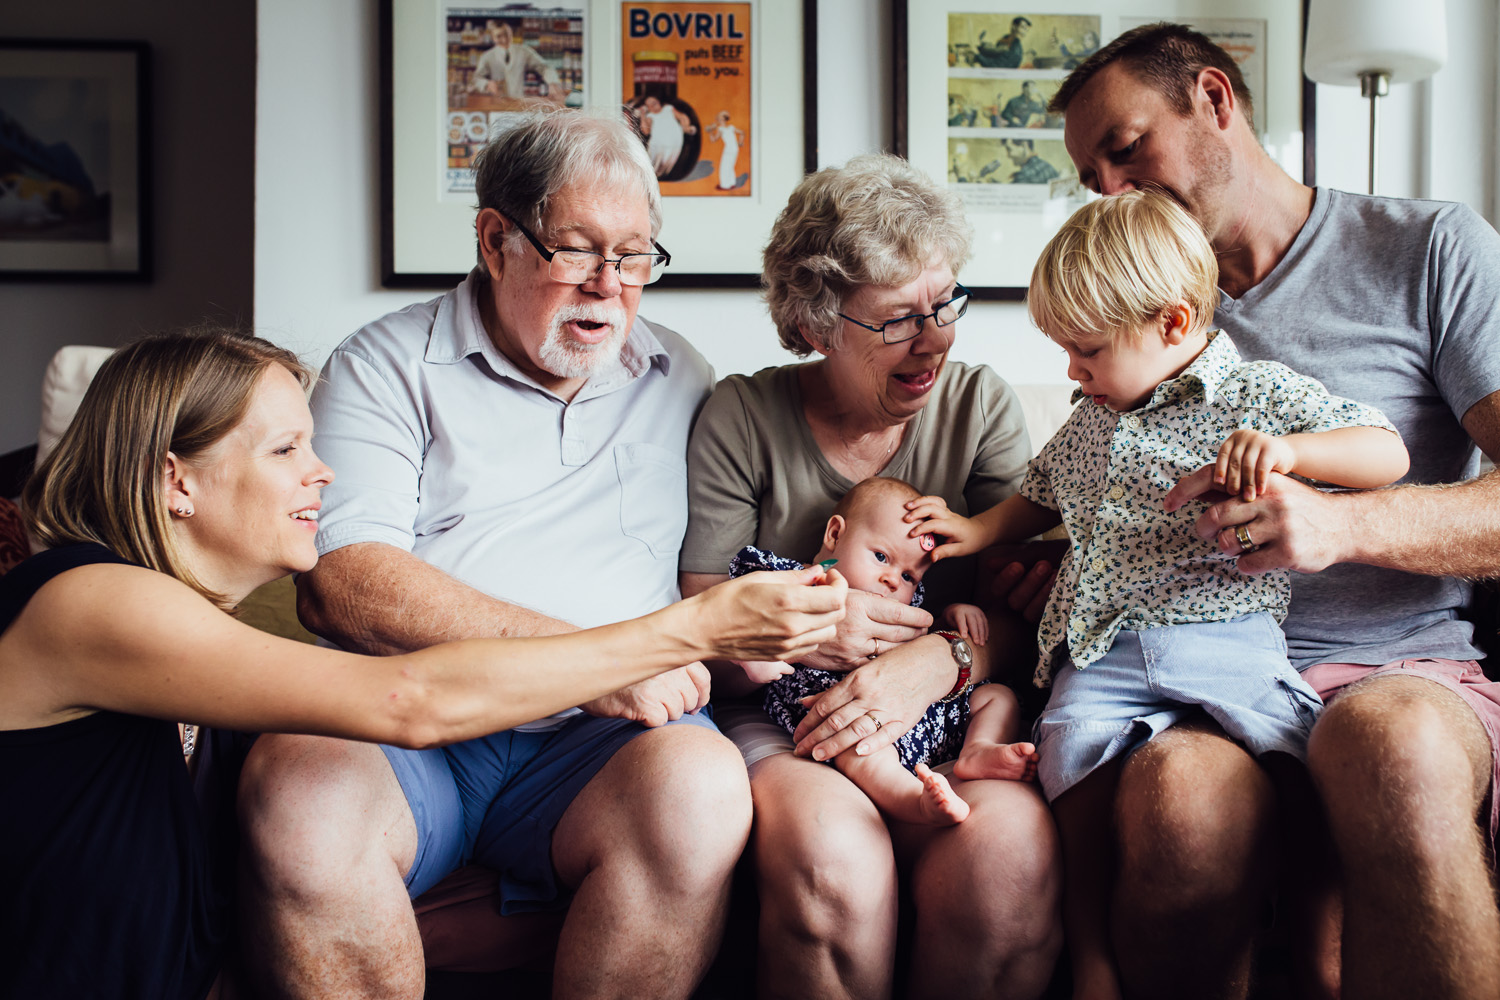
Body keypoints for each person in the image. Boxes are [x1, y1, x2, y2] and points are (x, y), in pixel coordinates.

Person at [0, 329, 843, 999]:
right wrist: (693, 627)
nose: (323, 473)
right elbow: (411, 702)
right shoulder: (90, 603)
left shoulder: (189, 649)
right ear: (174, 480)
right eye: (286, 450)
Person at [236, 108, 773, 999]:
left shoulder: (683, 374)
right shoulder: (386, 364)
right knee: (299, 795)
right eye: (579, 249)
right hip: (415, 726)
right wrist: (587, 663)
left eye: (635, 255)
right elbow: (342, 581)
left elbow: (769, 511)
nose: (610, 285)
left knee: (702, 787)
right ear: (495, 239)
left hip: (603, 746)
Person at [1050, 22, 1500, 1000]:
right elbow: (1089, 492)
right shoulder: (1139, 318)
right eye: (1095, 178)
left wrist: (1345, 524)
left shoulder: (1431, 249)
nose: (1116, 191)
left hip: (1392, 669)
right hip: (1194, 680)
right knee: (1179, 804)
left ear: (1215, 99)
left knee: (1391, 750)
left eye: (1126, 149)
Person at [908, 189, 1410, 1000]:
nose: (1072, 371)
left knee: (1303, 765)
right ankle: (1095, 965)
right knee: (1069, 766)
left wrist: (1288, 452)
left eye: (1087, 350)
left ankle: (1322, 952)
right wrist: (974, 530)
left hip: (1227, 636)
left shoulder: (1255, 397)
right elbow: (1040, 496)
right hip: (1102, 647)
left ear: (1172, 325)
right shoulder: (1092, 418)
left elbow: (1386, 452)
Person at [682, 153, 1062, 999]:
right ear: (818, 326)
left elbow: (1030, 614)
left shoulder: (978, 407)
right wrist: (817, 628)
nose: (934, 339)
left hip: (942, 710)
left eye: (944, 305)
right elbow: (701, 626)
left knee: (1007, 860)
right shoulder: (743, 417)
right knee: (831, 862)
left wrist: (941, 662)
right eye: (898, 320)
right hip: (784, 722)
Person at [733, 476, 1039, 828]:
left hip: (923, 714)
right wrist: (758, 651)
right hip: (844, 716)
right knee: (858, 748)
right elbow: (743, 620)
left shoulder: (903, 604)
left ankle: (978, 749)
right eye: (881, 556)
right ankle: (912, 801)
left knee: (997, 697)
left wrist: (953, 615)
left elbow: (922, 632)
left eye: (909, 576)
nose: (894, 580)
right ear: (835, 534)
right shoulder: (791, 582)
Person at [469, 20, 564, 104]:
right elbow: (476, 78)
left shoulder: (523, 51)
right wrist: (487, 84)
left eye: (506, 34)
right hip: (497, 104)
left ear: (511, 33)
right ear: (493, 38)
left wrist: (552, 83)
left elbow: (545, 67)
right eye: (499, 36)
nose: (504, 40)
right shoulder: (487, 56)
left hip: (519, 103)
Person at [635, 95, 697, 177]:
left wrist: (686, 127)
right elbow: (646, 131)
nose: (653, 105)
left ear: (659, 102)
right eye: (650, 104)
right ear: (648, 107)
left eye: (654, 102)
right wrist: (642, 115)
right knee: (653, 166)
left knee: (667, 167)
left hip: (673, 146)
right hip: (658, 147)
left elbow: (682, 117)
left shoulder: (669, 109)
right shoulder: (650, 116)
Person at [707, 110, 744, 190]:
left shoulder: (721, 129)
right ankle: (732, 183)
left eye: (719, 119)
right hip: (735, 149)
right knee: (730, 166)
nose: (718, 120)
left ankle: (725, 186)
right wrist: (740, 143)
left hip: (728, 150)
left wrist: (710, 132)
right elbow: (742, 133)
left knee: (724, 167)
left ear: (723, 120)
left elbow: (713, 140)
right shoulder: (731, 127)